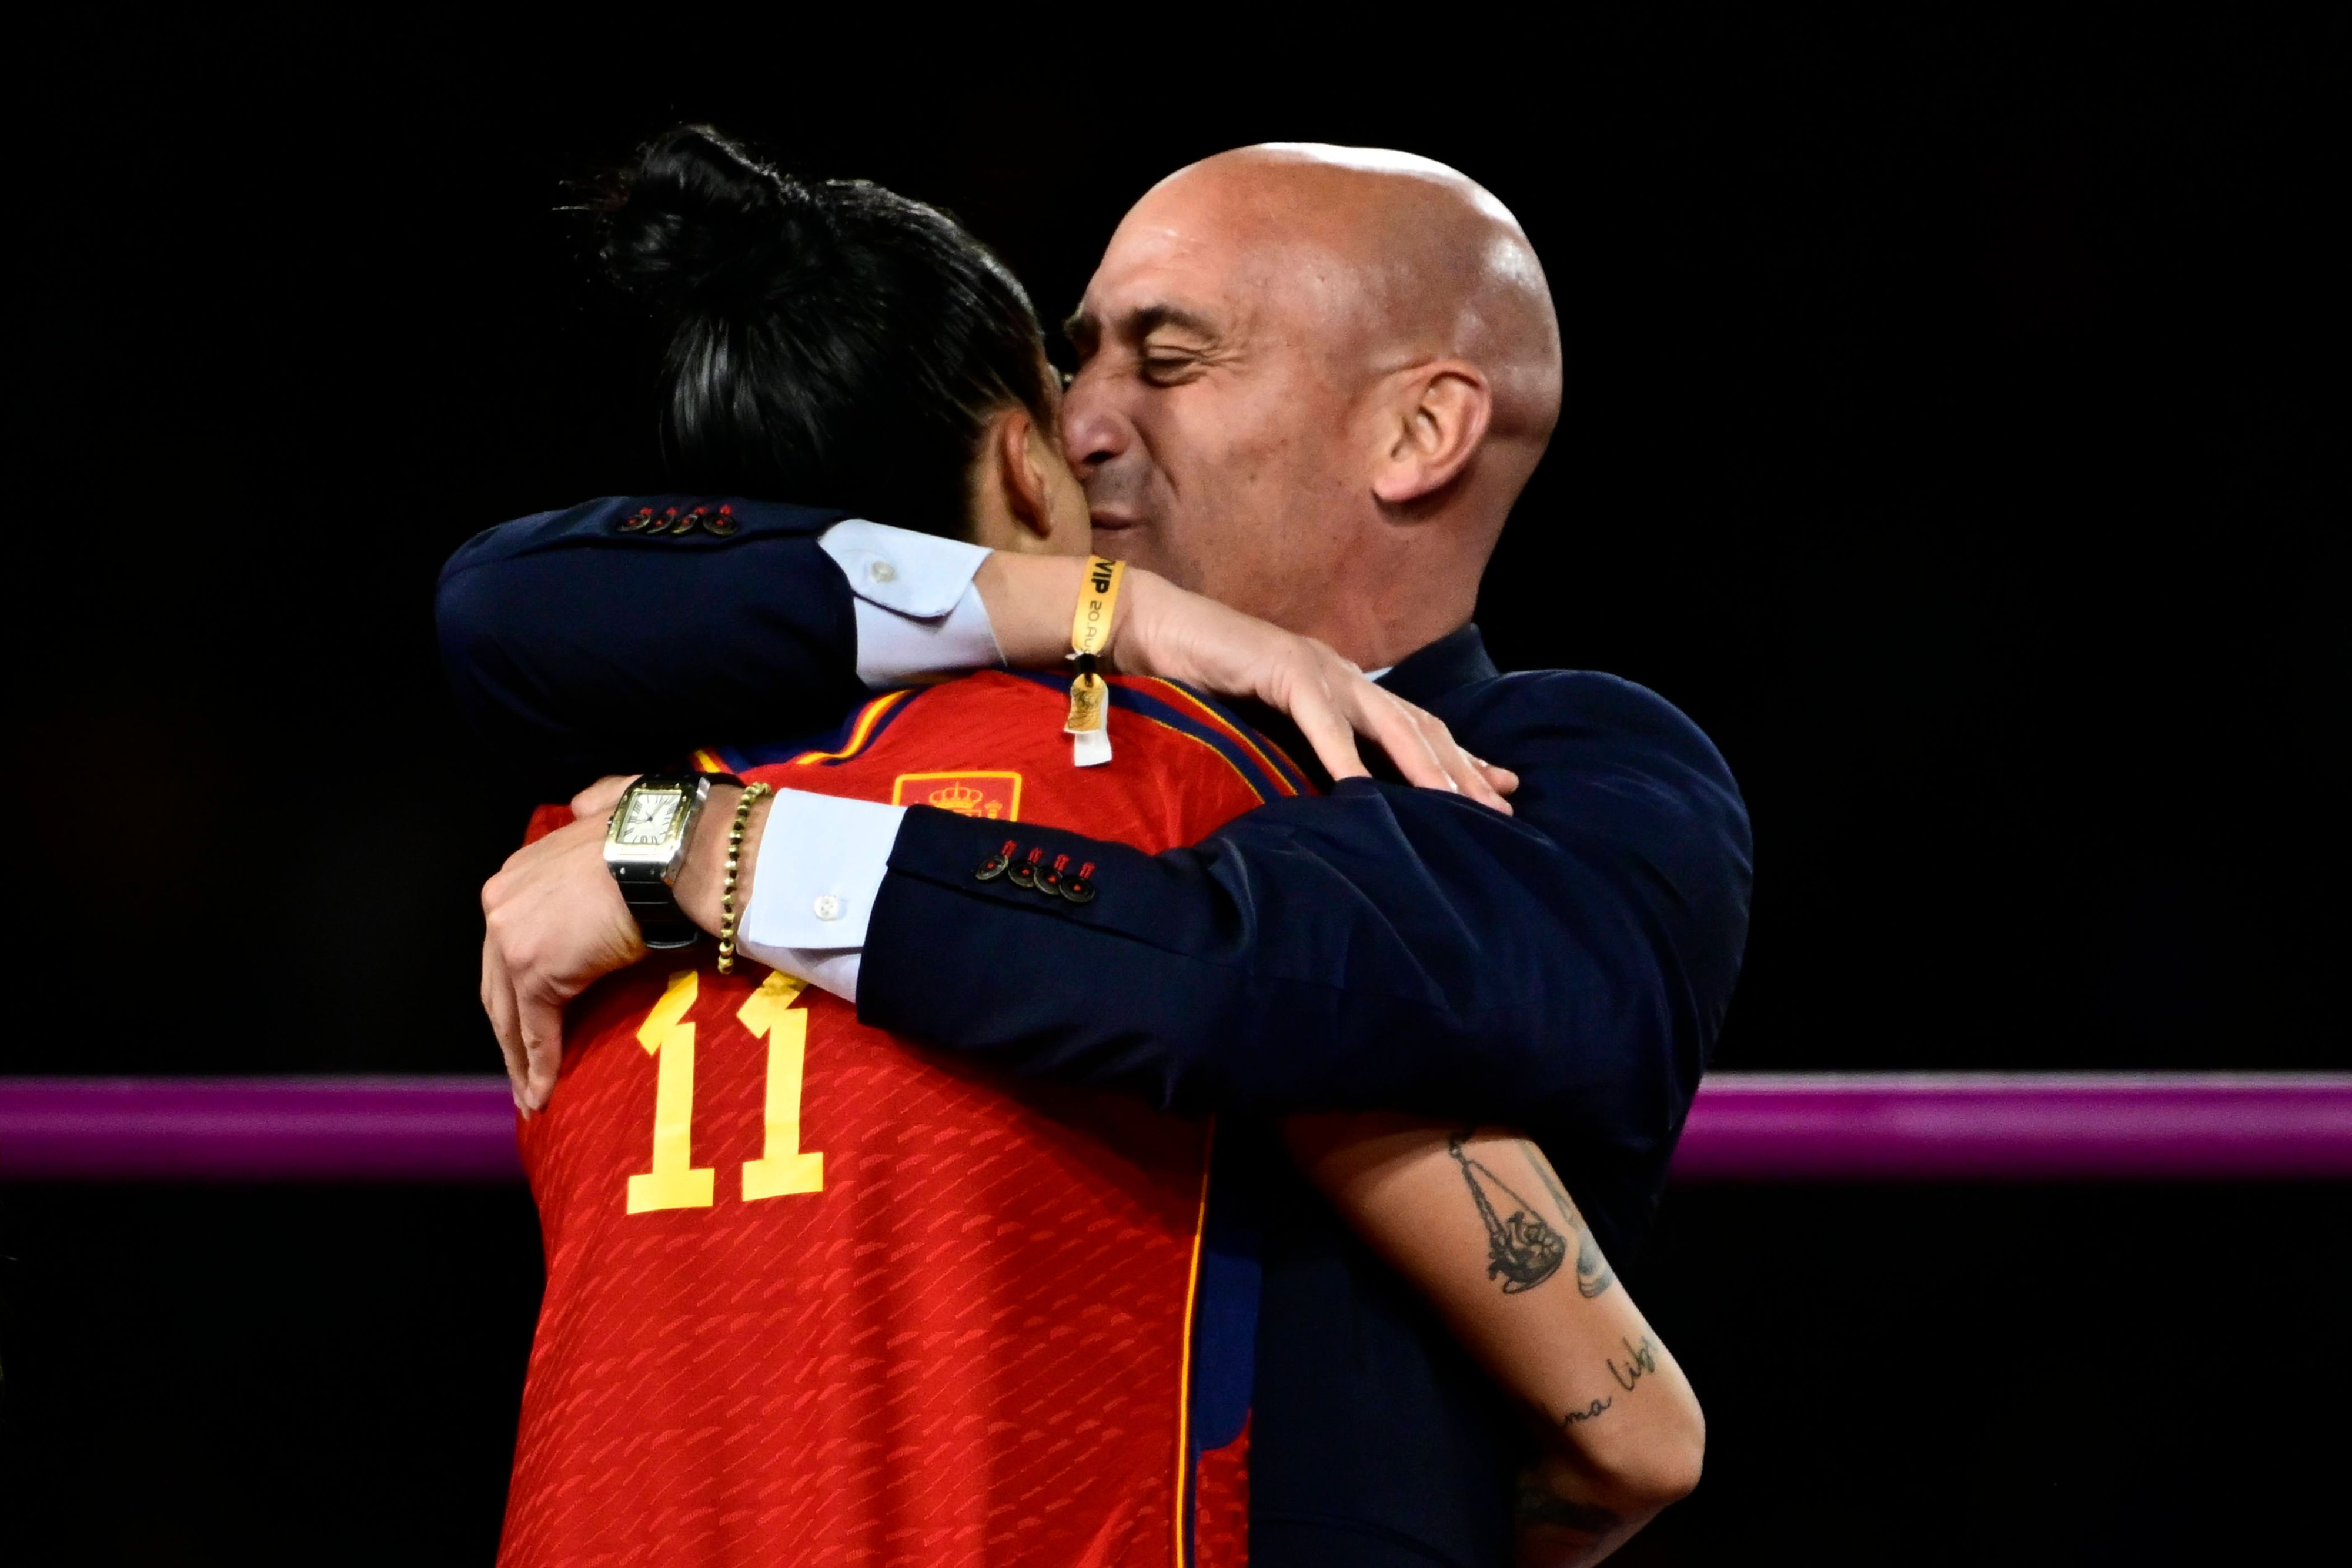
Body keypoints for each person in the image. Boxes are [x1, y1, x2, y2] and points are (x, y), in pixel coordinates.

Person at [447, 132, 1748, 1567]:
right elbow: (507, 600)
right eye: (1072, 366)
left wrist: (717, 851)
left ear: (1417, 432)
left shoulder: (1573, 769)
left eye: (1167, 360)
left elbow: (1236, 975)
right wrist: (1085, 611)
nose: (1078, 426)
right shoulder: (917, 729)